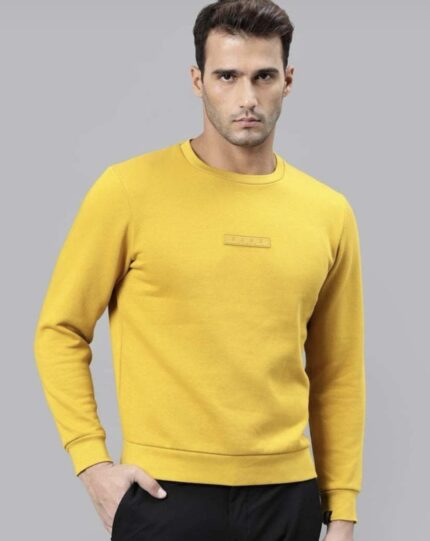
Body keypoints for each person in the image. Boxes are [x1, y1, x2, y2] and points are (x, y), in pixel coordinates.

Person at [33, 1, 366, 540]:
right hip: (165, 494)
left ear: (288, 81)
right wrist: (92, 464)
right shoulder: (128, 191)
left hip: (288, 498)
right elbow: (59, 330)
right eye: (227, 76)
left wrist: (343, 510)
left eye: (263, 77)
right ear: (197, 80)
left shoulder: (329, 212)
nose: (247, 97)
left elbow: (338, 371)